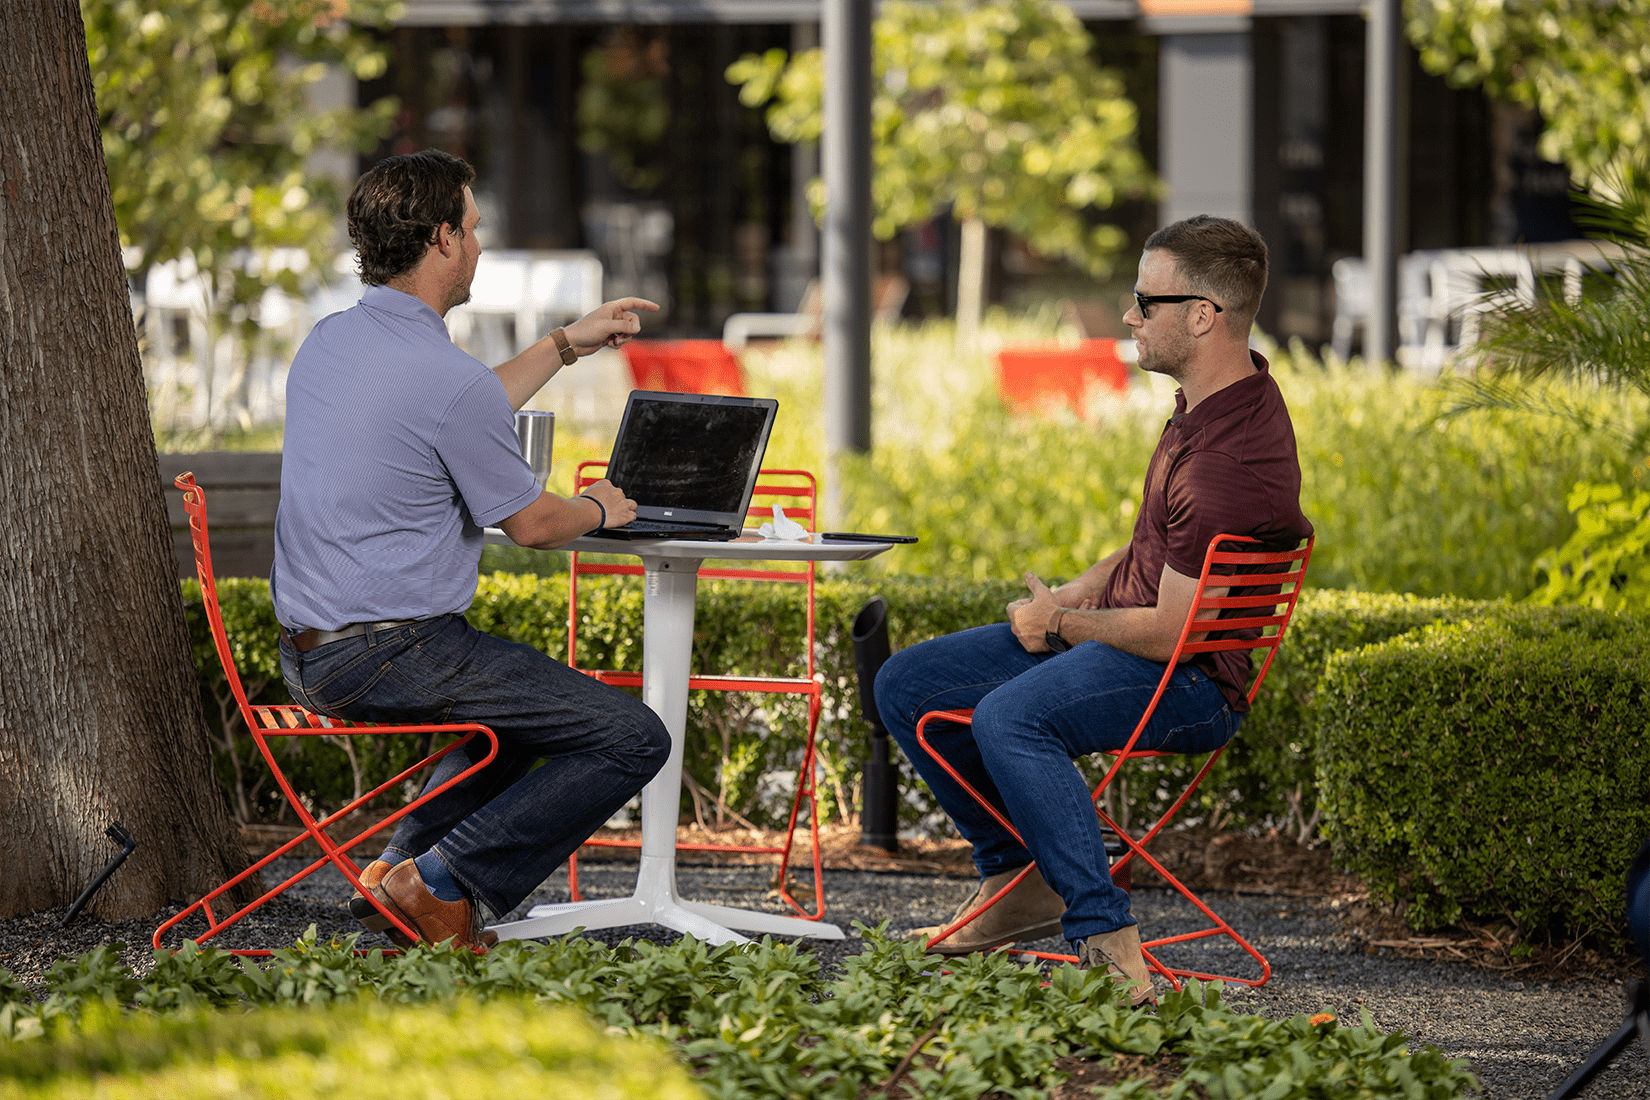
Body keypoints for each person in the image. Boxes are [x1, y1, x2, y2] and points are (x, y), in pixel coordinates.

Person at [873, 215, 1313, 1007]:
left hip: (1189, 682)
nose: (1130, 315)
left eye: (1147, 300)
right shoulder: (1217, 401)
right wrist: (1081, 590)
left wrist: (1060, 625)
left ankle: (1107, 939)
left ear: (1203, 314)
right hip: (1128, 645)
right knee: (906, 684)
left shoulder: (1225, 459)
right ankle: (1020, 878)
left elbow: (1175, 633)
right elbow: (1160, 548)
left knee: (1012, 718)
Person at [272, 149, 671, 950]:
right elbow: (533, 525)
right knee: (633, 736)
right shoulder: (444, 379)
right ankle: (443, 882)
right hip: (395, 652)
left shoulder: (330, 341)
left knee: (526, 717)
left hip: (309, 653)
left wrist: (567, 342)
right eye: (476, 228)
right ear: (443, 238)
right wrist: (598, 506)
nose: (482, 245)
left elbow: (459, 403)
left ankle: (397, 874)